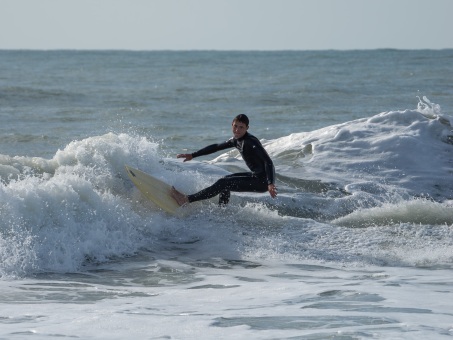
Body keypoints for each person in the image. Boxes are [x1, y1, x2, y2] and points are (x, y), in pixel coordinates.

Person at [171, 114, 277, 206]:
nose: (237, 130)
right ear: (232, 124)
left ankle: (186, 200)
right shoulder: (236, 140)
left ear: (247, 128)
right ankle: (222, 209)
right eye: (235, 126)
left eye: (241, 127)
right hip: (256, 176)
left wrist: (270, 183)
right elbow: (216, 147)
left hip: (263, 182)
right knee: (225, 180)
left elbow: (268, 161)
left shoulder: (251, 141)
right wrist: (193, 155)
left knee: (224, 183)